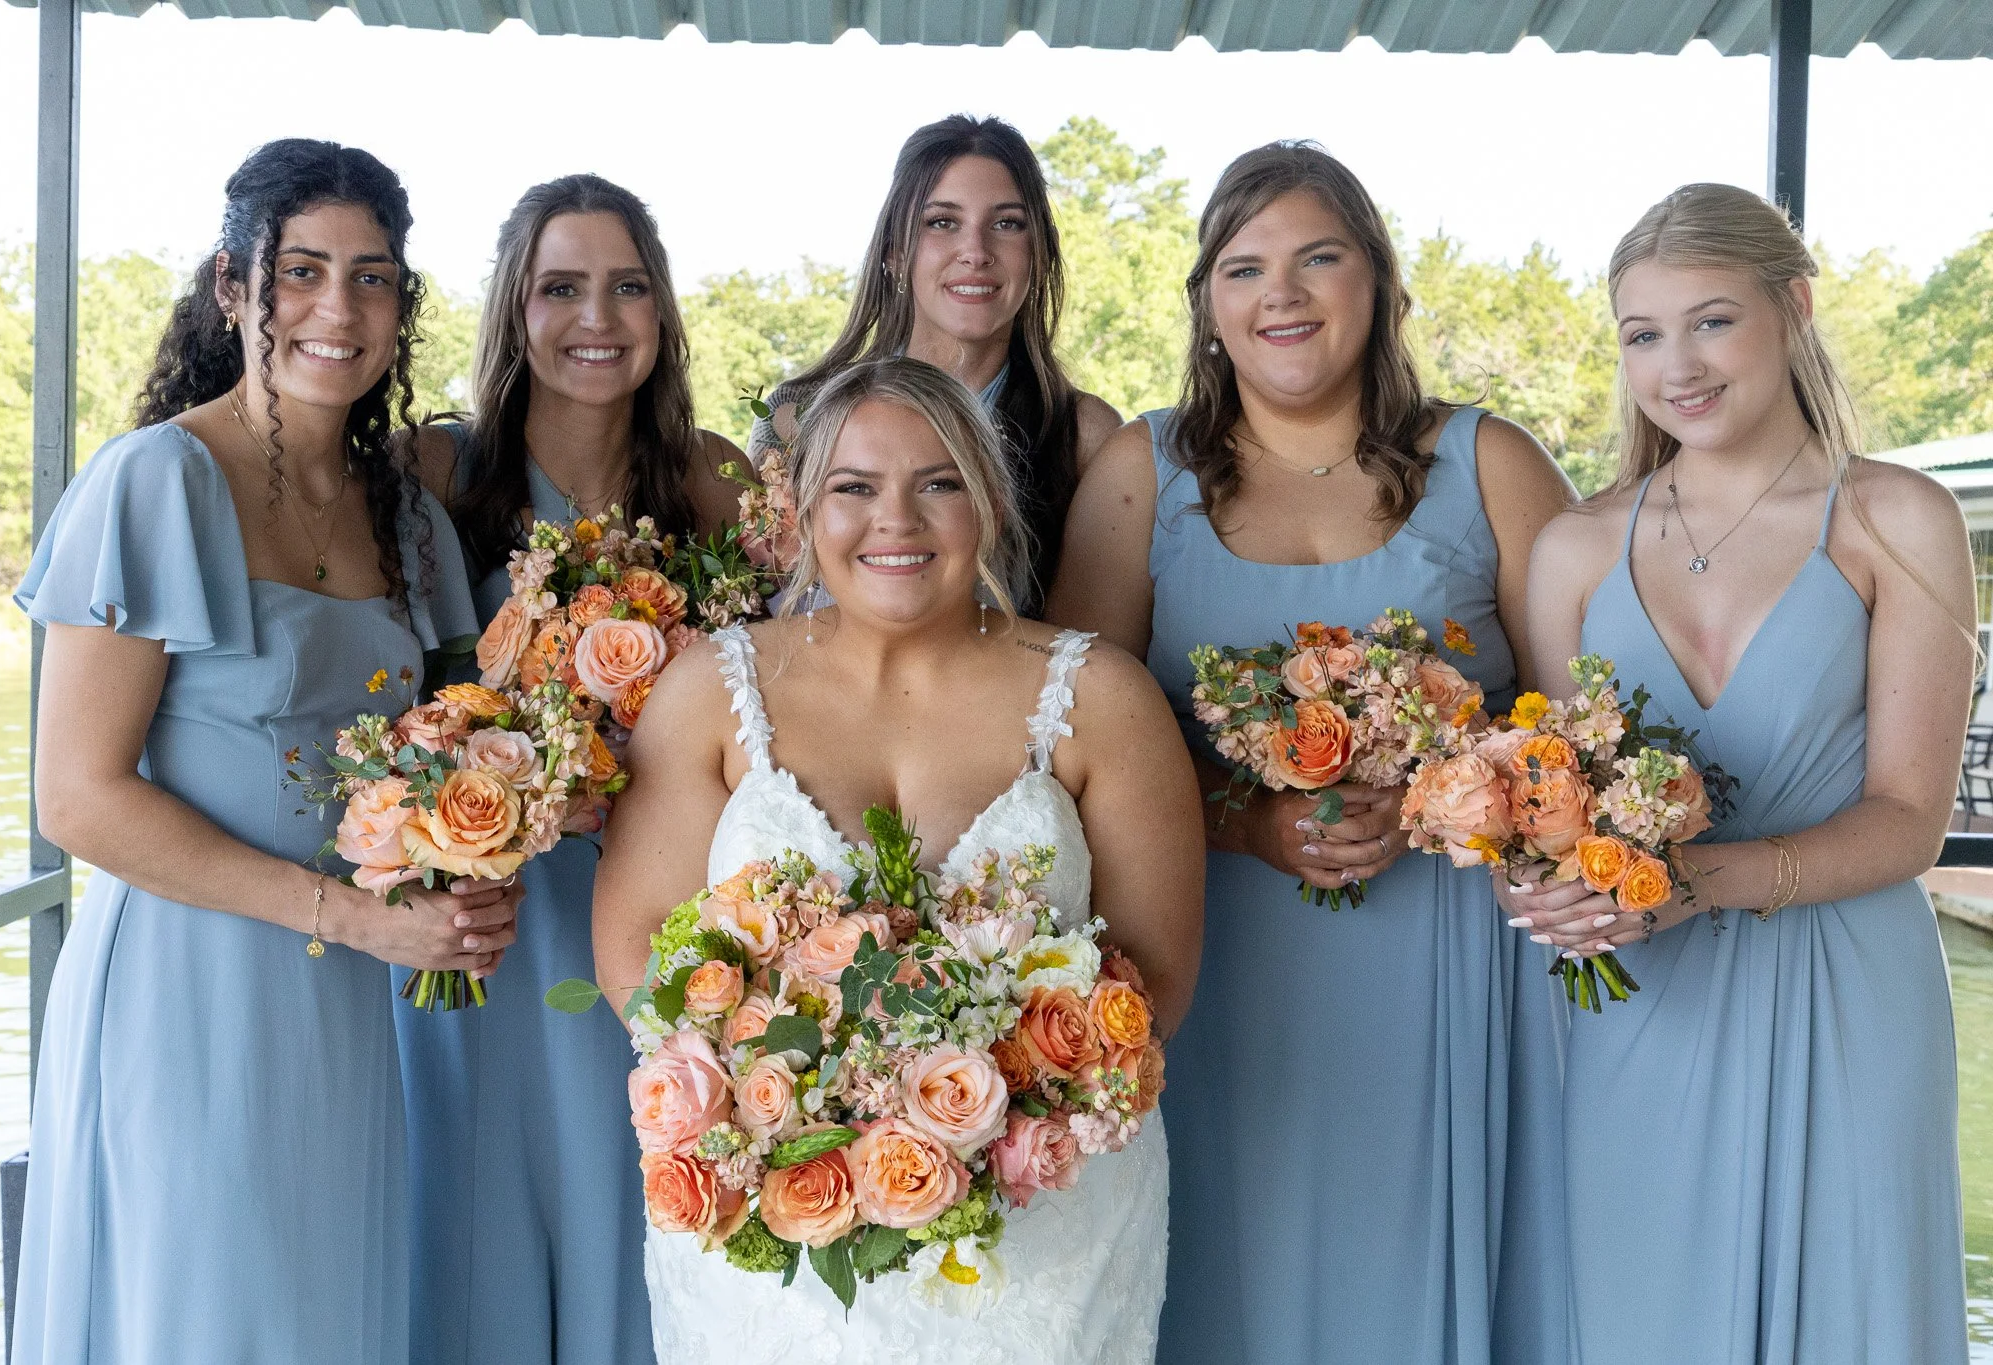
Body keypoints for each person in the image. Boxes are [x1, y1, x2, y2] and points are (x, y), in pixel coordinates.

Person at [1046, 140, 1576, 1363]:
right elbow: (1064, 740)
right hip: (1207, 949)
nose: (1280, 293)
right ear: (1210, 307)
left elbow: (1571, 720)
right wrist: (1241, 822)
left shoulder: (1489, 462)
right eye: (1245, 267)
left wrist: (1451, 795)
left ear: (1378, 282)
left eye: (1316, 257)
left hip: (1445, 961)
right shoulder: (1143, 469)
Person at [595, 356, 1204, 1362]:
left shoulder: (1102, 698)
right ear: (796, 511)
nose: (897, 519)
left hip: (1039, 1229)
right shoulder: (711, 689)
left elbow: (1159, 982)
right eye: (854, 487)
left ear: (992, 501)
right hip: (776, 1233)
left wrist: (977, 1122)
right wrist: (807, 1107)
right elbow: (634, 961)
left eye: (938, 483)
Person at [9, 139, 507, 1364]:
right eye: (302, 270)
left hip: (345, 1006)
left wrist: (463, 867)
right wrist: (357, 918)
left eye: (373, 277)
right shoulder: (154, 482)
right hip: (190, 996)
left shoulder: (411, 522)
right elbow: (77, 800)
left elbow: (454, 745)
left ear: (403, 303)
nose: (338, 308)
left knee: (328, 1316)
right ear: (232, 287)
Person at [1507, 182, 1972, 1363]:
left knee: (1849, 1311)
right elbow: (1552, 805)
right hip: (1640, 1009)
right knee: (1638, 1313)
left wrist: (1690, 881)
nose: (1678, 365)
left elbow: (1911, 820)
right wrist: (1535, 886)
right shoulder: (1571, 548)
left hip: (1848, 992)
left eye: (1710, 321)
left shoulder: (1896, 519)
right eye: (1642, 334)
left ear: (1793, 308)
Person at [400, 174, 747, 1365]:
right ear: (514, 307)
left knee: (632, 1186)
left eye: (627, 287)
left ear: (661, 313)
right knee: (477, 1205)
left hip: (649, 906)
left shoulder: (711, 479)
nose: (596, 317)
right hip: (482, 910)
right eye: (561, 287)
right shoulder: (431, 472)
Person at [748, 114, 1122, 617]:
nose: (975, 252)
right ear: (896, 252)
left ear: (1039, 254)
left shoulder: (1085, 435)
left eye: (1007, 224)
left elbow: (1092, 642)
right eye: (942, 222)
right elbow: (760, 606)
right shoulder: (797, 415)